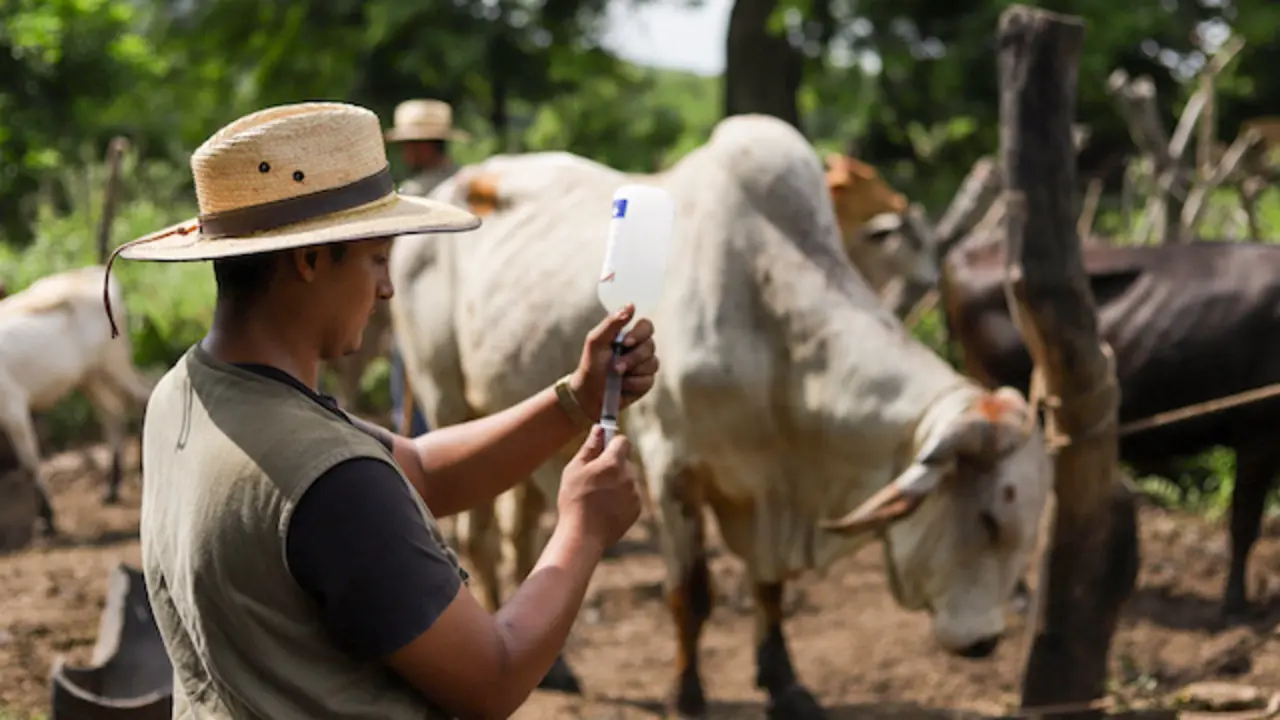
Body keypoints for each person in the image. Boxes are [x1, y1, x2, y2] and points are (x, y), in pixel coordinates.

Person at [103, 101, 658, 719]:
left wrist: (575, 399)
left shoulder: (187, 392)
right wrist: (582, 531)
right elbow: (494, 678)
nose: (388, 288)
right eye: (376, 259)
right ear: (309, 260)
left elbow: (419, 468)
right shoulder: (332, 484)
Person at [383, 98, 469, 435]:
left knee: (414, 400)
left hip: (424, 310)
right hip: (464, 303)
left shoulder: (414, 197)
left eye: (409, 145)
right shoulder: (466, 184)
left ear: (422, 145)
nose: (405, 153)